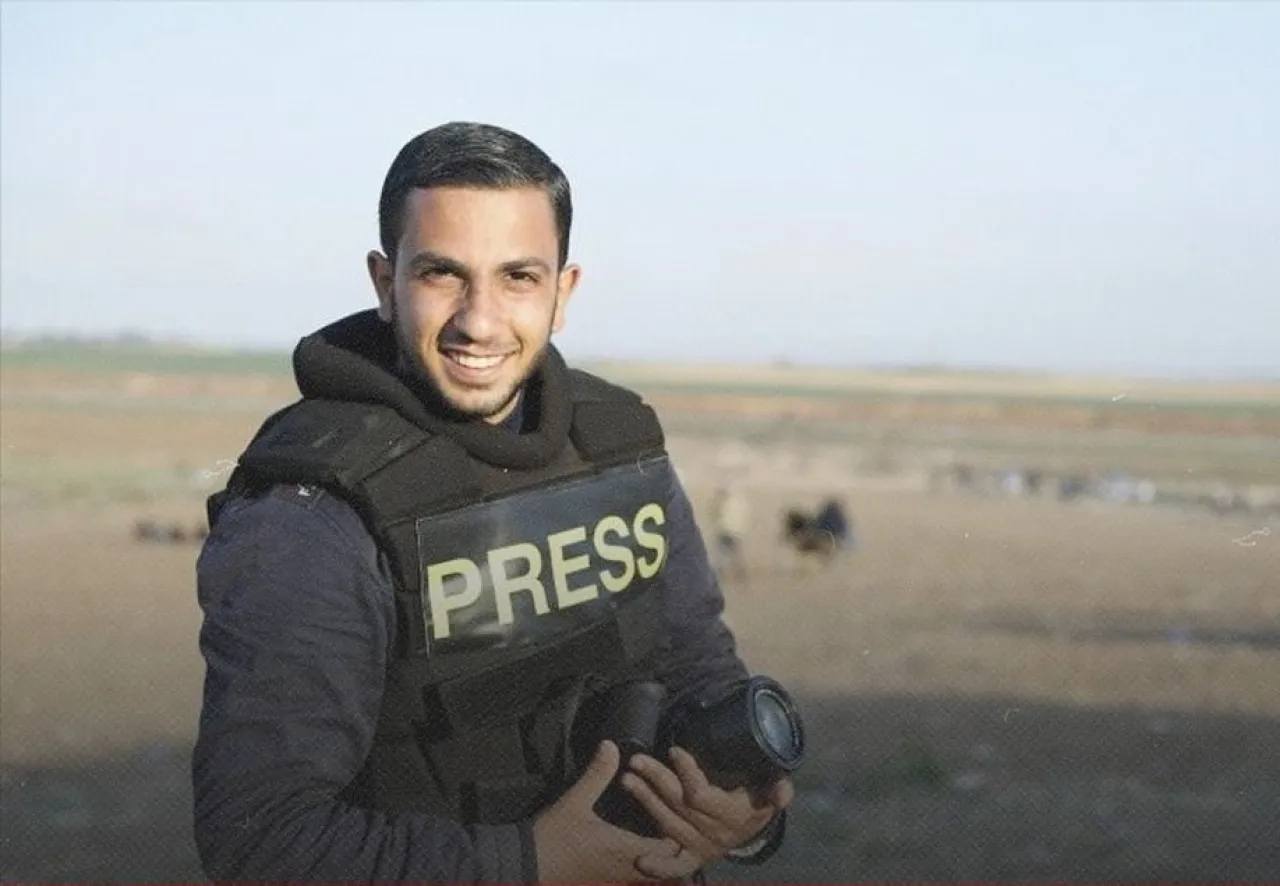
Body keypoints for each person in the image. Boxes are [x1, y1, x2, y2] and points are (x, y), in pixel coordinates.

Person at [192, 121, 795, 883]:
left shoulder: (618, 447)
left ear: (562, 292)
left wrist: (741, 813)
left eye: (518, 277)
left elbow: (701, 674)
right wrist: (531, 863)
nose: (479, 321)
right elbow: (264, 841)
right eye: (442, 274)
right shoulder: (311, 514)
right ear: (385, 283)